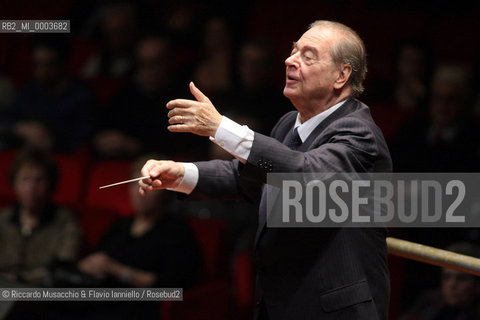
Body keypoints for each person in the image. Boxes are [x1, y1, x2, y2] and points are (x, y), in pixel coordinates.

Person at [138, 20, 392, 320]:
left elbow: (307, 175)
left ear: (341, 75)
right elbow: (247, 178)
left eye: (307, 55)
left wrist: (221, 128)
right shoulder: (288, 124)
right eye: (293, 50)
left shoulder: (358, 131)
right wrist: (181, 174)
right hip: (281, 302)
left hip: (334, 309)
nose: (290, 60)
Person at [0, 148, 81, 286]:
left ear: (50, 184)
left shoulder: (65, 221)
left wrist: (19, 280)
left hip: (42, 294)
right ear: (14, 183)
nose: (31, 187)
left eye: (39, 180)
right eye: (25, 179)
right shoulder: (3, 218)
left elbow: (64, 267)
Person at [399, 242, 480, 320]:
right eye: (447, 277)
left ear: (477, 284)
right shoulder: (428, 302)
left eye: (462, 278)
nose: (452, 284)